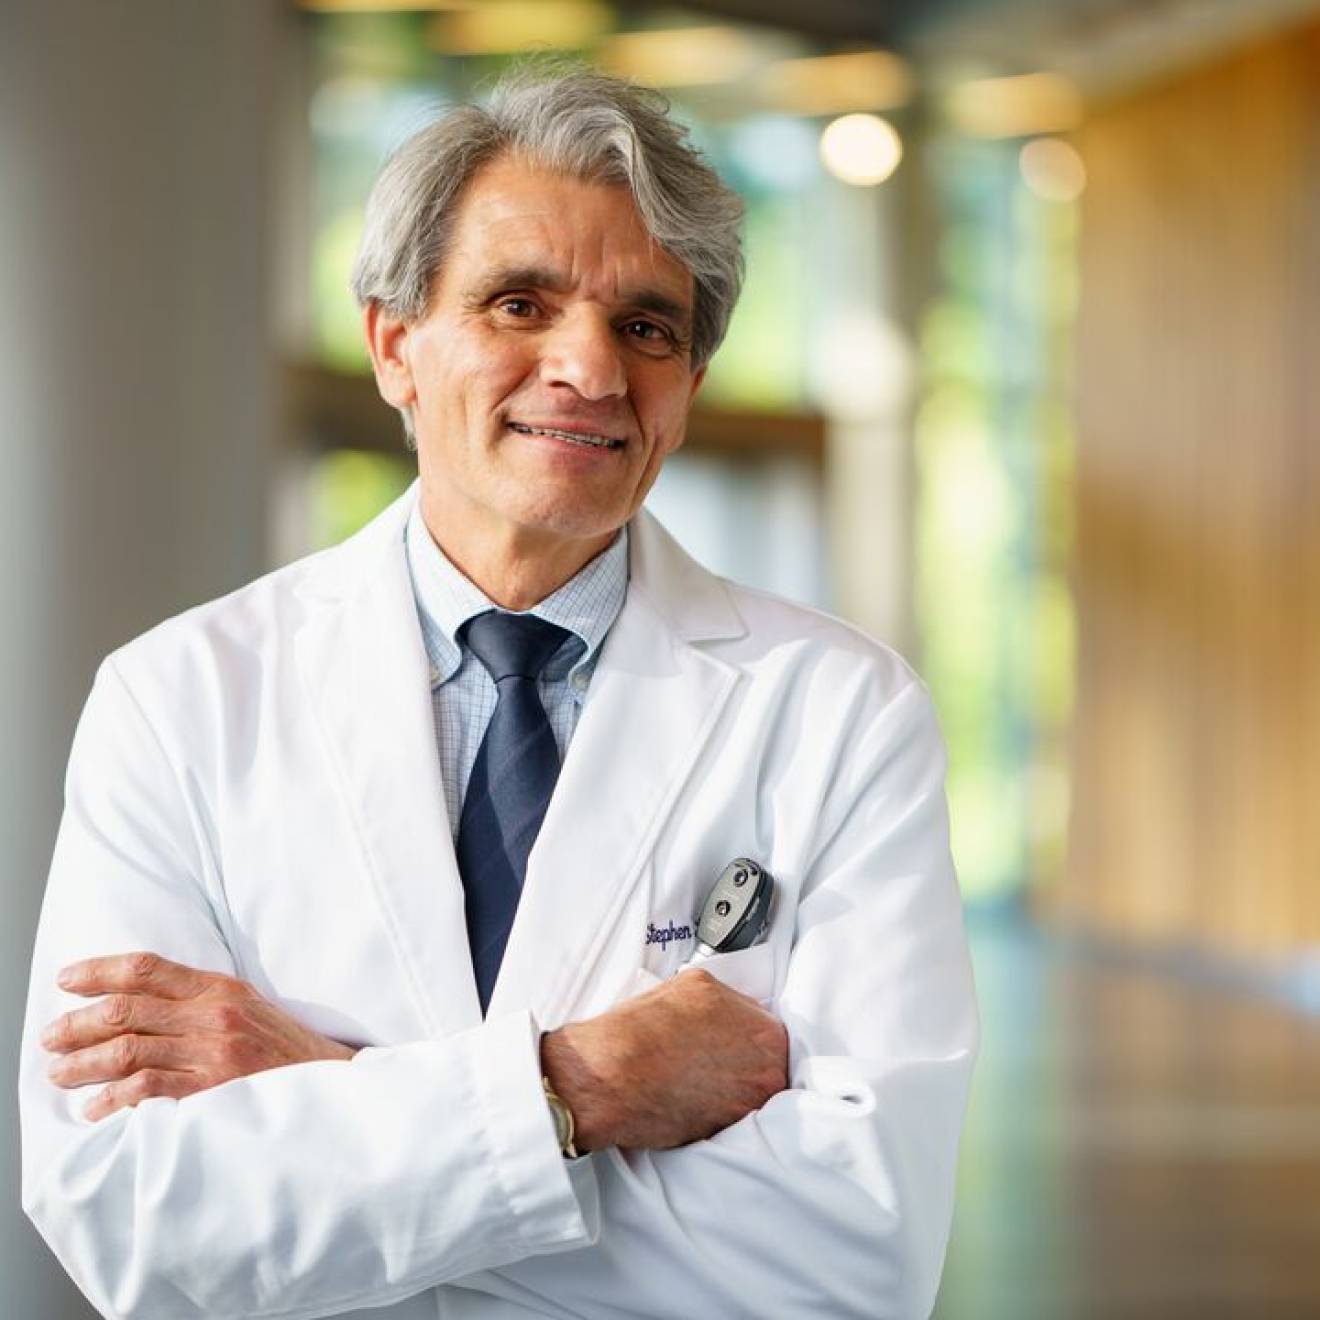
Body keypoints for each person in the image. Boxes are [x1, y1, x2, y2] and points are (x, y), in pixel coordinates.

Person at [19, 66, 978, 1320]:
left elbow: (858, 1252)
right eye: (519, 303)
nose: (586, 369)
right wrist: (574, 1087)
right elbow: (131, 1217)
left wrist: (333, 1084)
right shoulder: (178, 698)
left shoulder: (845, 714)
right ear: (393, 346)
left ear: (685, 392)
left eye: (647, 327)